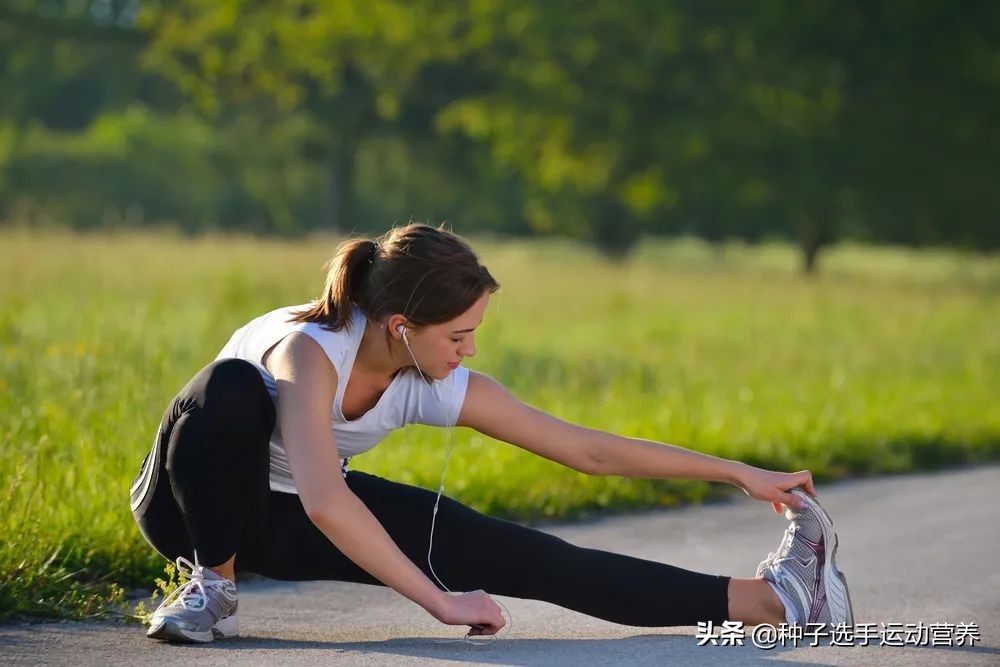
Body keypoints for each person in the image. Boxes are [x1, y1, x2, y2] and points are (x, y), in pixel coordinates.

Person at [129, 222, 854, 644]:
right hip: (189, 508)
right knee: (226, 390)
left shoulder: (428, 374)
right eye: (461, 334)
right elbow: (325, 496)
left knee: (524, 553)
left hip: (283, 518)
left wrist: (737, 471)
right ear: (402, 327)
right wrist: (440, 601)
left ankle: (775, 600)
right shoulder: (309, 352)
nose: (469, 350)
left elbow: (586, 450)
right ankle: (211, 588)